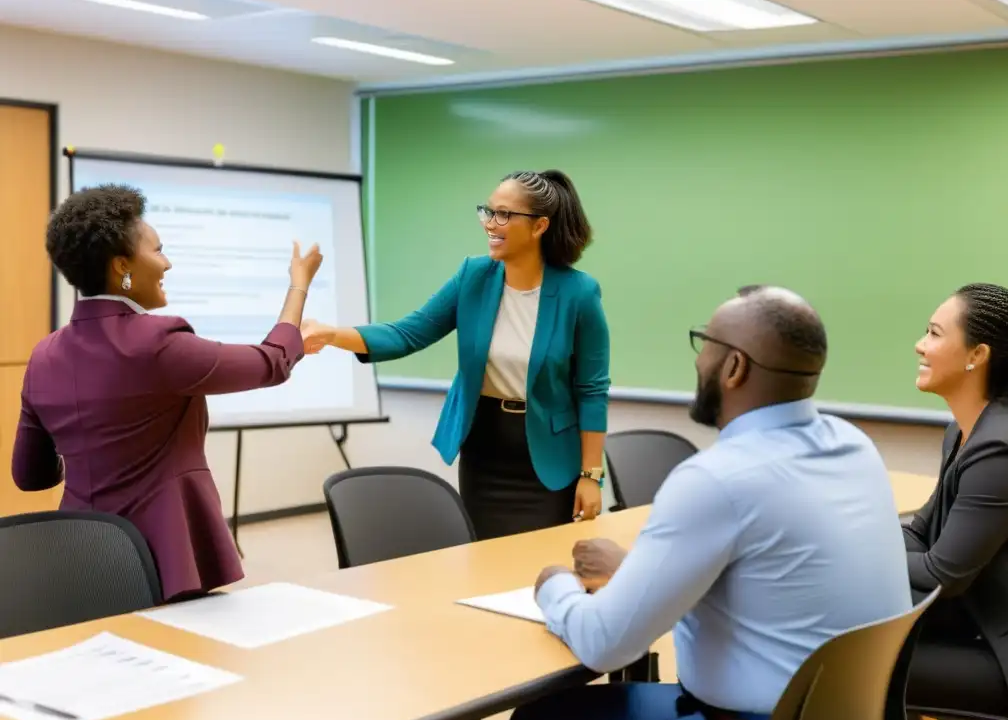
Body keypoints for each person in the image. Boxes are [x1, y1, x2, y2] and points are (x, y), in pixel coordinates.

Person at [506, 286, 913, 720]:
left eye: (706, 344)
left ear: (734, 367)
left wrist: (554, 586)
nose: (698, 363)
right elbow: (770, 582)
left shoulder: (718, 478)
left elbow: (604, 646)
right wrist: (638, 569)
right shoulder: (855, 447)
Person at [12, 184, 322, 602]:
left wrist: (92, 461)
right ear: (122, 265)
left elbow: (30, 476)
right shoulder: (159, 343)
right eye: (158, 250)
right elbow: (272, 363)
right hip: (162, 554)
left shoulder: (42, 356)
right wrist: (298, 287)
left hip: (78, 552)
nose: (168, 263)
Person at [301, 170, 610, 540]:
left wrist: (591, 476)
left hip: (548, 457)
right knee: (485, 561)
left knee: (539, 565)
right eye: (487, 211)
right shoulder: (473, 276)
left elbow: (592, 391)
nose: (490, 224)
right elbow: (408, 333)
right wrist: (333, 335)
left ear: (540, 225)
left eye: (504, 215)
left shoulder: (579, 292)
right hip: (484, 451)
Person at [902, 283, 1008, 720]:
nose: (919, 344)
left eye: (933, 333)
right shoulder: (964, 431)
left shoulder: (1003, 450)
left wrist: (849, 554)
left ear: (977, 355)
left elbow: (943, 575)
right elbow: (919, 533)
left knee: (851, 664)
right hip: (977, 627)